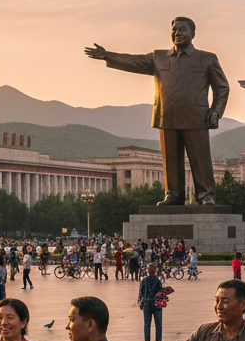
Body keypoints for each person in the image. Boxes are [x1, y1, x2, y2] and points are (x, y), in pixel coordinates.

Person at [87, 16, 230, 205]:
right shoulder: (159, 57)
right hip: (166, 116)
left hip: (196, 117)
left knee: (200, 159)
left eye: (183, 30)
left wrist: (216, 111)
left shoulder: (207, 58)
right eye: (174, 30)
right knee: (170, 159)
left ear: (193, 34)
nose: (178, 33)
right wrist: (108, 56)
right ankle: (173, 194)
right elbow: (134, 61)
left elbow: (222, 87)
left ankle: (206, 195)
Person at [138, 262, 163, 341]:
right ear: (155, 271)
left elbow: (140, 293)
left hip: (147, 304)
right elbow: (161, 294)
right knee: (158, 324)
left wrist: (140, 302)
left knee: (147, 324)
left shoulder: (144, 280)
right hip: (156, 305)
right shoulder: (157, 281)